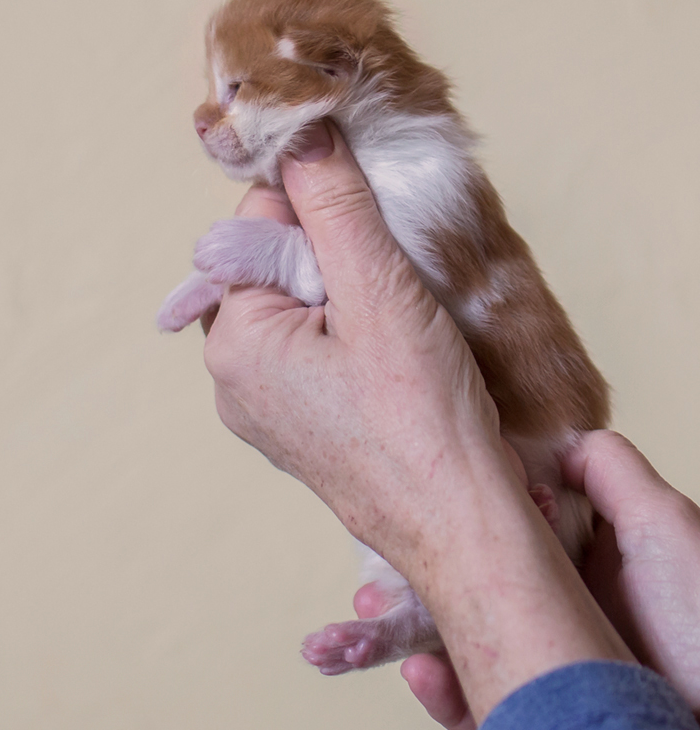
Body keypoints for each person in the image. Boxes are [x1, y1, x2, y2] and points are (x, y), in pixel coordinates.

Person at [200, 121, 700, 728]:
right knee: (399, 574)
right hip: (603, 629)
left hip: (548, 481)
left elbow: (406, 280)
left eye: (236, 90)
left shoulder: (427, 170)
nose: (208, 117)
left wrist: (462, 532)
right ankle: (419, 613)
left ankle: (421, 612)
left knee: (419, 558)